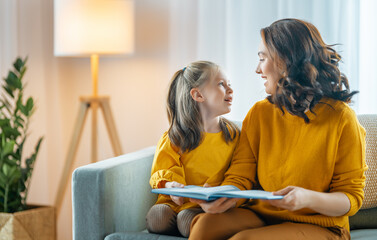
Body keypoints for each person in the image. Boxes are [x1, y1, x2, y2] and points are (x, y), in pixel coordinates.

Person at [189, 18, 367, 240]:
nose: (257, 69)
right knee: (205, 225)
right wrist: (227, 195)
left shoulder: (342, 118)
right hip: (262, 215)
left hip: (323, 226)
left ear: (287, 61)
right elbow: (241, 173)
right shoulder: (260, 113)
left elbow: (351, 199)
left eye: (262, 58)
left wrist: (307, 198)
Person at [146, 61, 240, 237]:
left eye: (230, 84)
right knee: (157, 217)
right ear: (197, 94)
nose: (230, 89)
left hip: (206, 206)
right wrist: (171, 185)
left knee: (187, 219)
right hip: (174, 203)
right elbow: (162, 170)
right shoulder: (175, 136)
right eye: (221, 84)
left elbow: (238, 173)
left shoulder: (234, 136)